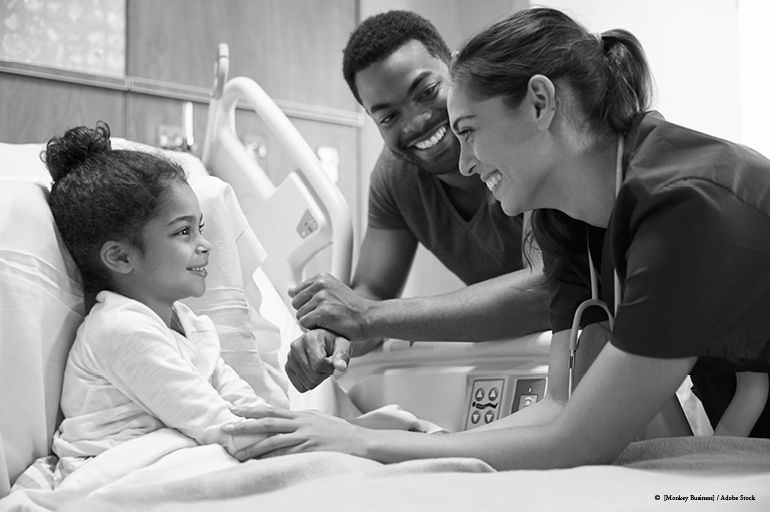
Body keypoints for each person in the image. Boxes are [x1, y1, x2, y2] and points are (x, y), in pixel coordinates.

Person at [224, 7, 770, 468]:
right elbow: (562, 407)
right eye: (387, 114)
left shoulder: (685, 204)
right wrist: (431, 444)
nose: (461, 160)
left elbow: (580, 438)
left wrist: (369, 444)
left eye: (468, 131)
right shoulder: (570, 220)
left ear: (539, 102)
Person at [285, 10, 551, 393]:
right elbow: (372, 289)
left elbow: (544, 289)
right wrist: (335, 334)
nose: (415, 122)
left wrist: (367, 316)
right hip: (527, 357)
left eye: (426, 91)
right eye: (389, 116)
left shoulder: (522, 134)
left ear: (457, 67)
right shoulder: (395, 178)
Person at [46, 123, 268, 461]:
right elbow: (220, 425)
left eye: (200, 228)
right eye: (183, 231)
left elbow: (245, 406)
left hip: (179, 458)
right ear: (121, 256)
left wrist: (300, 429)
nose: (205, 245)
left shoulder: (187, 324)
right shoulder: (119, 330)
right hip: (119, 472)